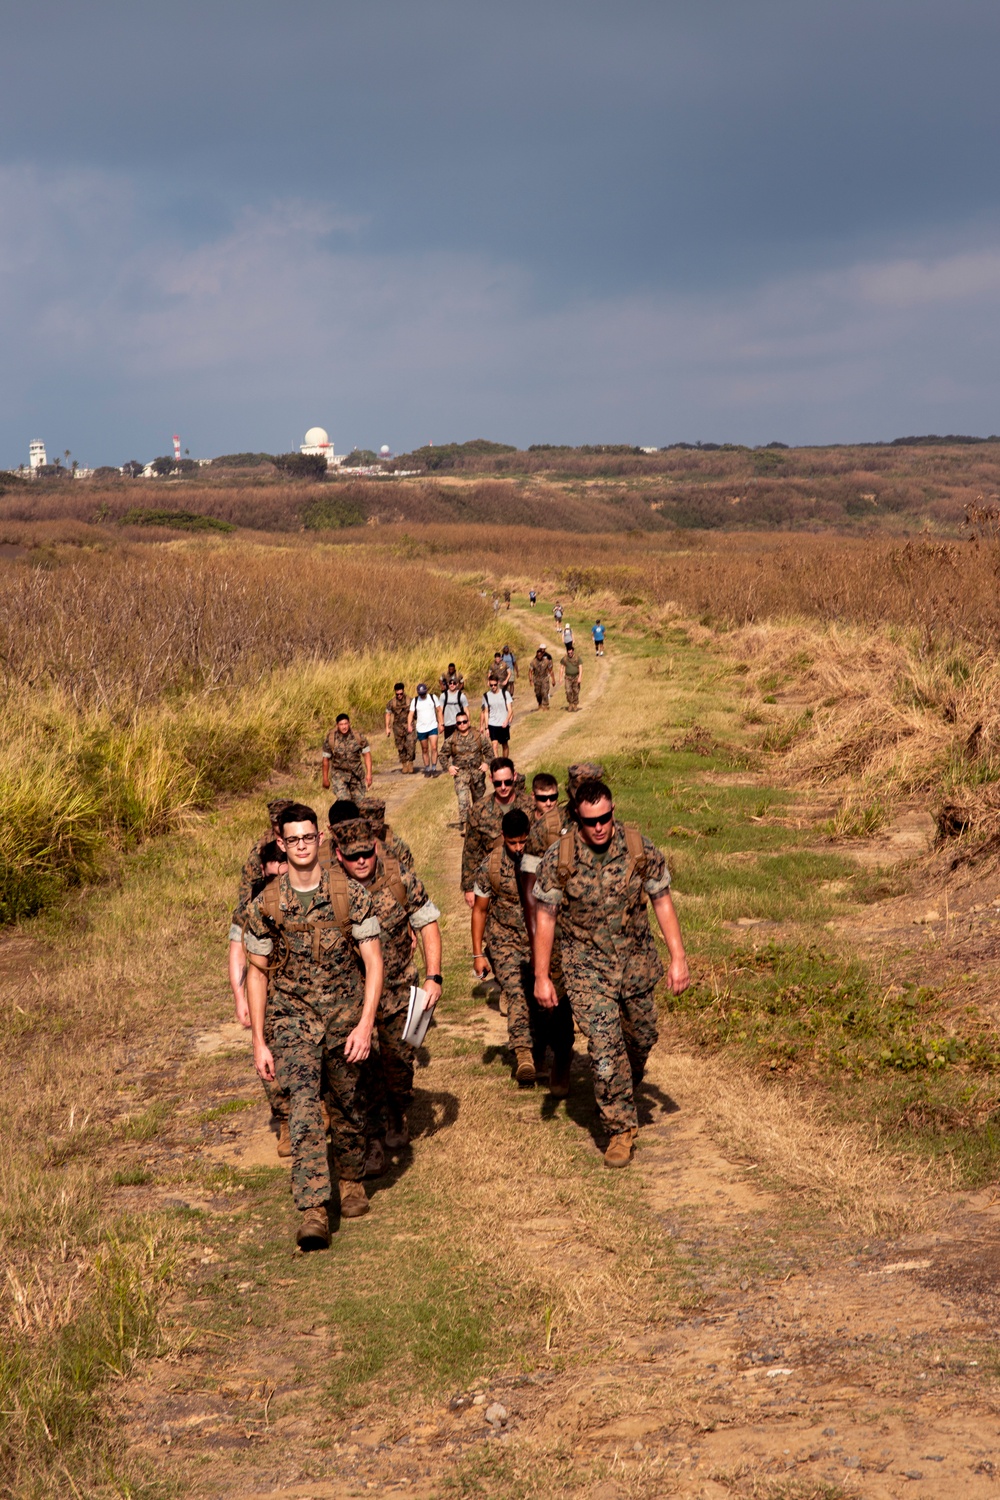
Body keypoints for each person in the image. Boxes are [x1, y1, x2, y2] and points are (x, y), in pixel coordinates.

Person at [243, 803, 384, 1248]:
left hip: (345, 1017)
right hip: (292, 1020)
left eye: (309, 838)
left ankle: (351, 1178)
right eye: (294, 840)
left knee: (347, 1104)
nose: (302, 846)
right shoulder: (266, 903)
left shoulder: (350, 895)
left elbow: (374, 963)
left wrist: (364, 1025)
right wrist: (259, 1042)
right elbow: (258, 973)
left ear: (320, 839)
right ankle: (314, 1209)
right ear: (281, 844)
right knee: (303, 1106)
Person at [532, 779, 690, 1169]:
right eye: (591, 821)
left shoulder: (639, 848)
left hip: (635, 962)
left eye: (605, 817)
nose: (600, 827)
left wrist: (678, 958)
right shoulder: (560, 859)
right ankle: (619, 1129)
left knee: (641, 1037)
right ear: (576, 818)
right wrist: (542, 975)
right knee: (604, 1046)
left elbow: (662, 901)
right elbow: (545, 917)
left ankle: (624, 1080)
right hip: (587, 967)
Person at [331, 817, 442, 1173]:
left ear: (375, 848)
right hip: (350, 1001)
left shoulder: (400, 881)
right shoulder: (328, 890)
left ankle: (398, 1113)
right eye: (352, 856)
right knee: (362, 1073)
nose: (361, 861)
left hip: (399, 994)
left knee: (399, 1068)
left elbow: (428, 923)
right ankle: (373, 1142)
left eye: (366, 852)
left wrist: (433, 976)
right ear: (338, 855)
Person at [472, 808, 574, 1089]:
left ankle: (543, 1053)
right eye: (512, 842)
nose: (518, 848)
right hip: (504, 940)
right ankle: (524, 1055)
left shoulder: (544, 860)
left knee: (542, 1000)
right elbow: (480, 911)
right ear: (502, 837)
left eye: (522, 842)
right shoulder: (491, 865)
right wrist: (478, 953)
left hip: (541, 941)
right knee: (517, 993)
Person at [229, 838, 293, 1158]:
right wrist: (241, 998)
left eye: (282, 877)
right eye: (270, 879)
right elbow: (237, 952)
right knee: (267, 1054)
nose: (276, 886)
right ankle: (284, 1120)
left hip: (303, 990)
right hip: (266, 991)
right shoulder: (254, 903)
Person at [461, 756, 533, 912]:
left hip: (527, 880)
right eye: (497, 783)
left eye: (507, 781)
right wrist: (468, 887)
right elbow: (471, 851)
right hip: (493, 884)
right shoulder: (479, 810)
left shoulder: (530, 806)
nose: (503, 787)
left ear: (514, 776)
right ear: (490, 779)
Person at [439, 708, 492, 834]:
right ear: (456, 724)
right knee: (463, 798)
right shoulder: (452, 740)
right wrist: (449, 767)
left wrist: (486, 763)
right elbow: (442, 755)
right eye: (459, 723)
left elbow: (489, 752)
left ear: (468, 722)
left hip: (477, 774)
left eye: (464, 722)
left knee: (478, 801)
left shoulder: (479, 737)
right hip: (461, 775)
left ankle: (478, 824)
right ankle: (465, 824)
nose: (462, 724)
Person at [236, 798, 294, 908]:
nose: (282, 824)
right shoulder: (261, 849)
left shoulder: (303, 838)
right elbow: (249, 885)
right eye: (278, 821)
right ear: (272, 821)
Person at [322, 714, 372, 800]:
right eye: (341, 724)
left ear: (349, 724)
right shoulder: (331, 739)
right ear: (337, 725)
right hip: (339, 776)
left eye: (346, 724)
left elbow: (367, 755)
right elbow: (325, 760)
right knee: (344, 801)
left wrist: (369, 774)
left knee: (358, 805)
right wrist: (325, 778)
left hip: (356, 776)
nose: (344, 727)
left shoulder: (358, 737)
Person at [408, 682, 443, 776]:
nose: (422, 695)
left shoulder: (432, 698)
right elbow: (411, 714)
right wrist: (409, 725)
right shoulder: (415, 701)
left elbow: (439, 710)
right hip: (421, 728)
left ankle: (434, 768)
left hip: (432, 726)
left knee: (434, 747)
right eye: (421, 694)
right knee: (424, 749)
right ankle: (427, 769)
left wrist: (441, 723)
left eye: (424, 693)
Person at [385, 683, 416, 774]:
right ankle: (404, 764)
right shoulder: (392, 702)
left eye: (401, 694)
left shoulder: (410, 700)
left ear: (403, 691)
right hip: (397, 728)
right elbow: (388, 714)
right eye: (397, 694)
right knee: (400, 746)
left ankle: (410, 762)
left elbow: (415, 712)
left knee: (411, 744)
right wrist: (387, 727)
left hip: (409, 726)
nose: (399, 696)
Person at [481, 674, 514, 756]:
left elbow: (510, 710)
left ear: (498, 683)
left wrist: (507, 721)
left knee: (504, 744)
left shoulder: (505, 694)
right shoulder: (486, 696)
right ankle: (498, 764)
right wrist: (486, 727)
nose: (493, 687)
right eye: (491, 685)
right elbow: (486, 712)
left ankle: (505, 762)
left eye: (495, 685)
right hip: (492, 723)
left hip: (503, 723)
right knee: (494, 745)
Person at [439, 675, 469, 739]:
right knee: (448, 745)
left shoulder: (461, 696)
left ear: (457, 684)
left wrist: (467, 722)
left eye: (454, 683)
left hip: (459, 724)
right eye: (450, 683)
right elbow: (440, 711)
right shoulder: (443, 696)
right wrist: (441, 723)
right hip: (447, 724)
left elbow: (466, 710)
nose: (452, 685)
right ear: (448, 684)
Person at [527, 645, 555, 710]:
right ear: (536, 655)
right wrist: (530, 680)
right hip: (537, 679)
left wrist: (553, 679)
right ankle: (539, 703)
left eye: (540, 655)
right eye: (538, 655)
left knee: (544, 692)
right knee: (538, 693)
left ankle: (545, 705)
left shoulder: (546, 661)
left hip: (544, 678)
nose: (539, 656)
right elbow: (530, 672)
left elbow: (551, 670)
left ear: (542, 655)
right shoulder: (533, 662)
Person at [560, 642, 583, 711]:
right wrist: (560, 678)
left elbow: (580, 668)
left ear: (573, 652)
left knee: (576, 691)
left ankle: (575, 704)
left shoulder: (577, 658)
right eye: (568, 653)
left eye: (571, 653)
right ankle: (570, 703)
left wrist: (579, 677)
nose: (570, 654)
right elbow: (561, 668)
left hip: (576, 677)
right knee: (568, 691)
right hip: (568, 677)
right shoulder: (564, 659)